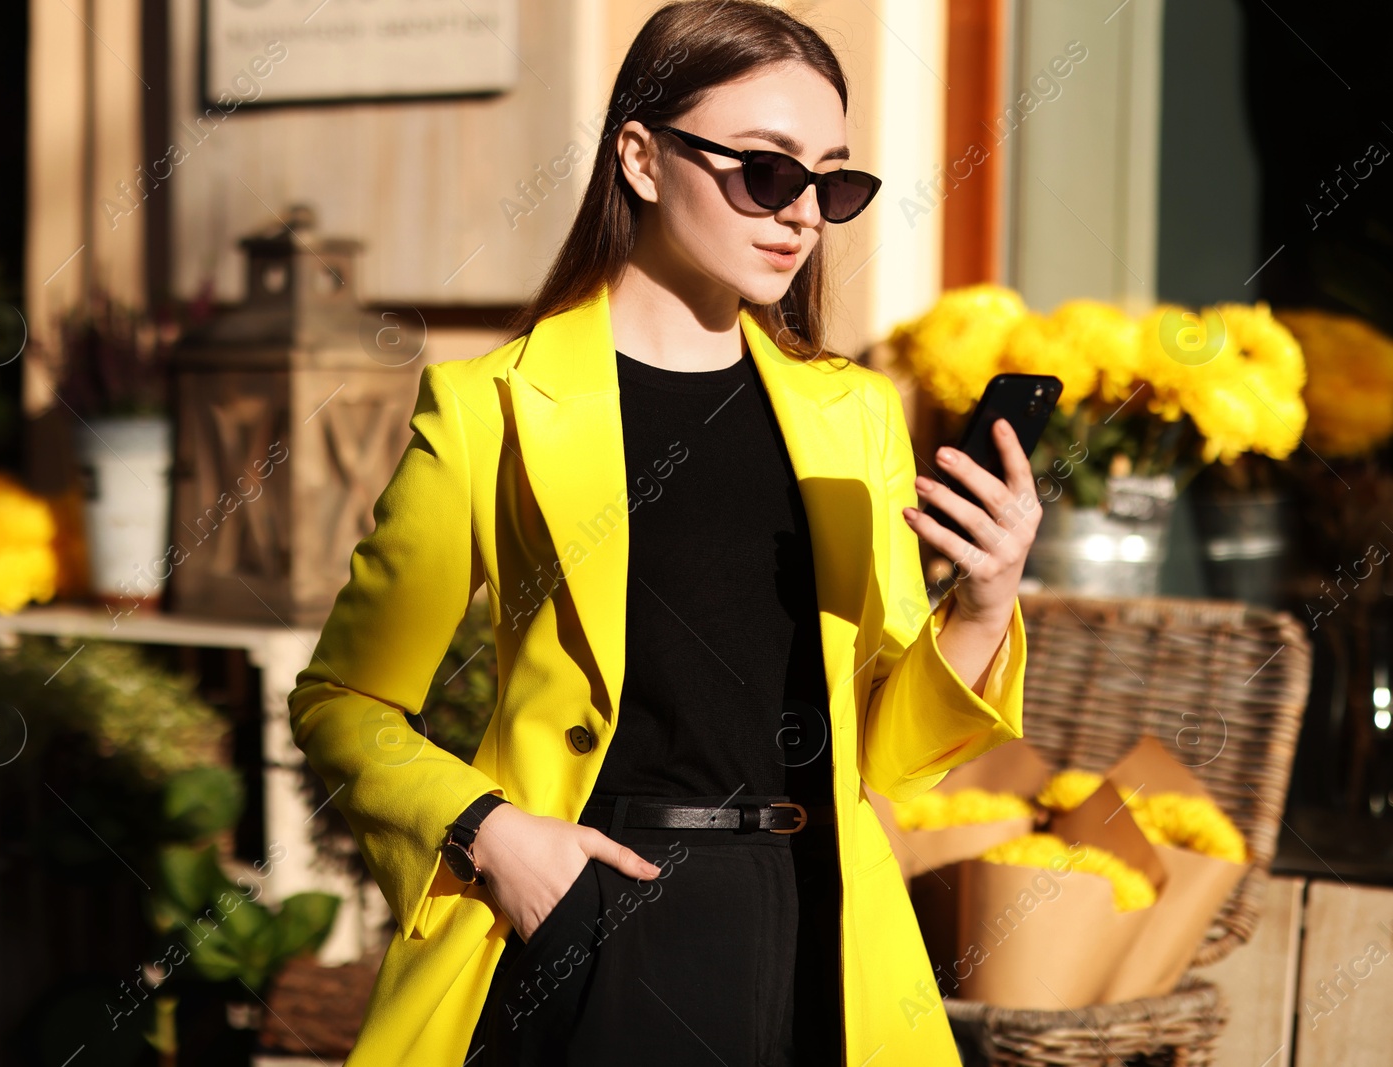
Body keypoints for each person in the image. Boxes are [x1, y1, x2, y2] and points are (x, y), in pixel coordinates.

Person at [286, 2, 1038, 1064]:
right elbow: (343, 702)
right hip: (590, 908)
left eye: (832, 181)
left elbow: (894, 756)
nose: (802, 213)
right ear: (640, 156)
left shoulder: (852, 415)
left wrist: (986, 599)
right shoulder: (486, 406)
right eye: (766, 171)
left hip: (816, 925)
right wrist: (490, 830)